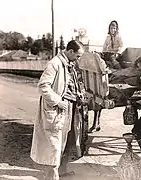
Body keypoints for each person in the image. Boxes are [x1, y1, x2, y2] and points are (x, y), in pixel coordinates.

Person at [30, 40, 85, 180]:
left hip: (67, 108)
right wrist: (58, 101)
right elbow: (43, 86)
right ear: (70, 51)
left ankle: (60, 172)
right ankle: (52, 177)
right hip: (56, 109)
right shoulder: (54, 64)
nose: (78, 59)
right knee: (53, 144)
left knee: (63, 142)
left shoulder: (69, 64)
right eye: (78, 56)